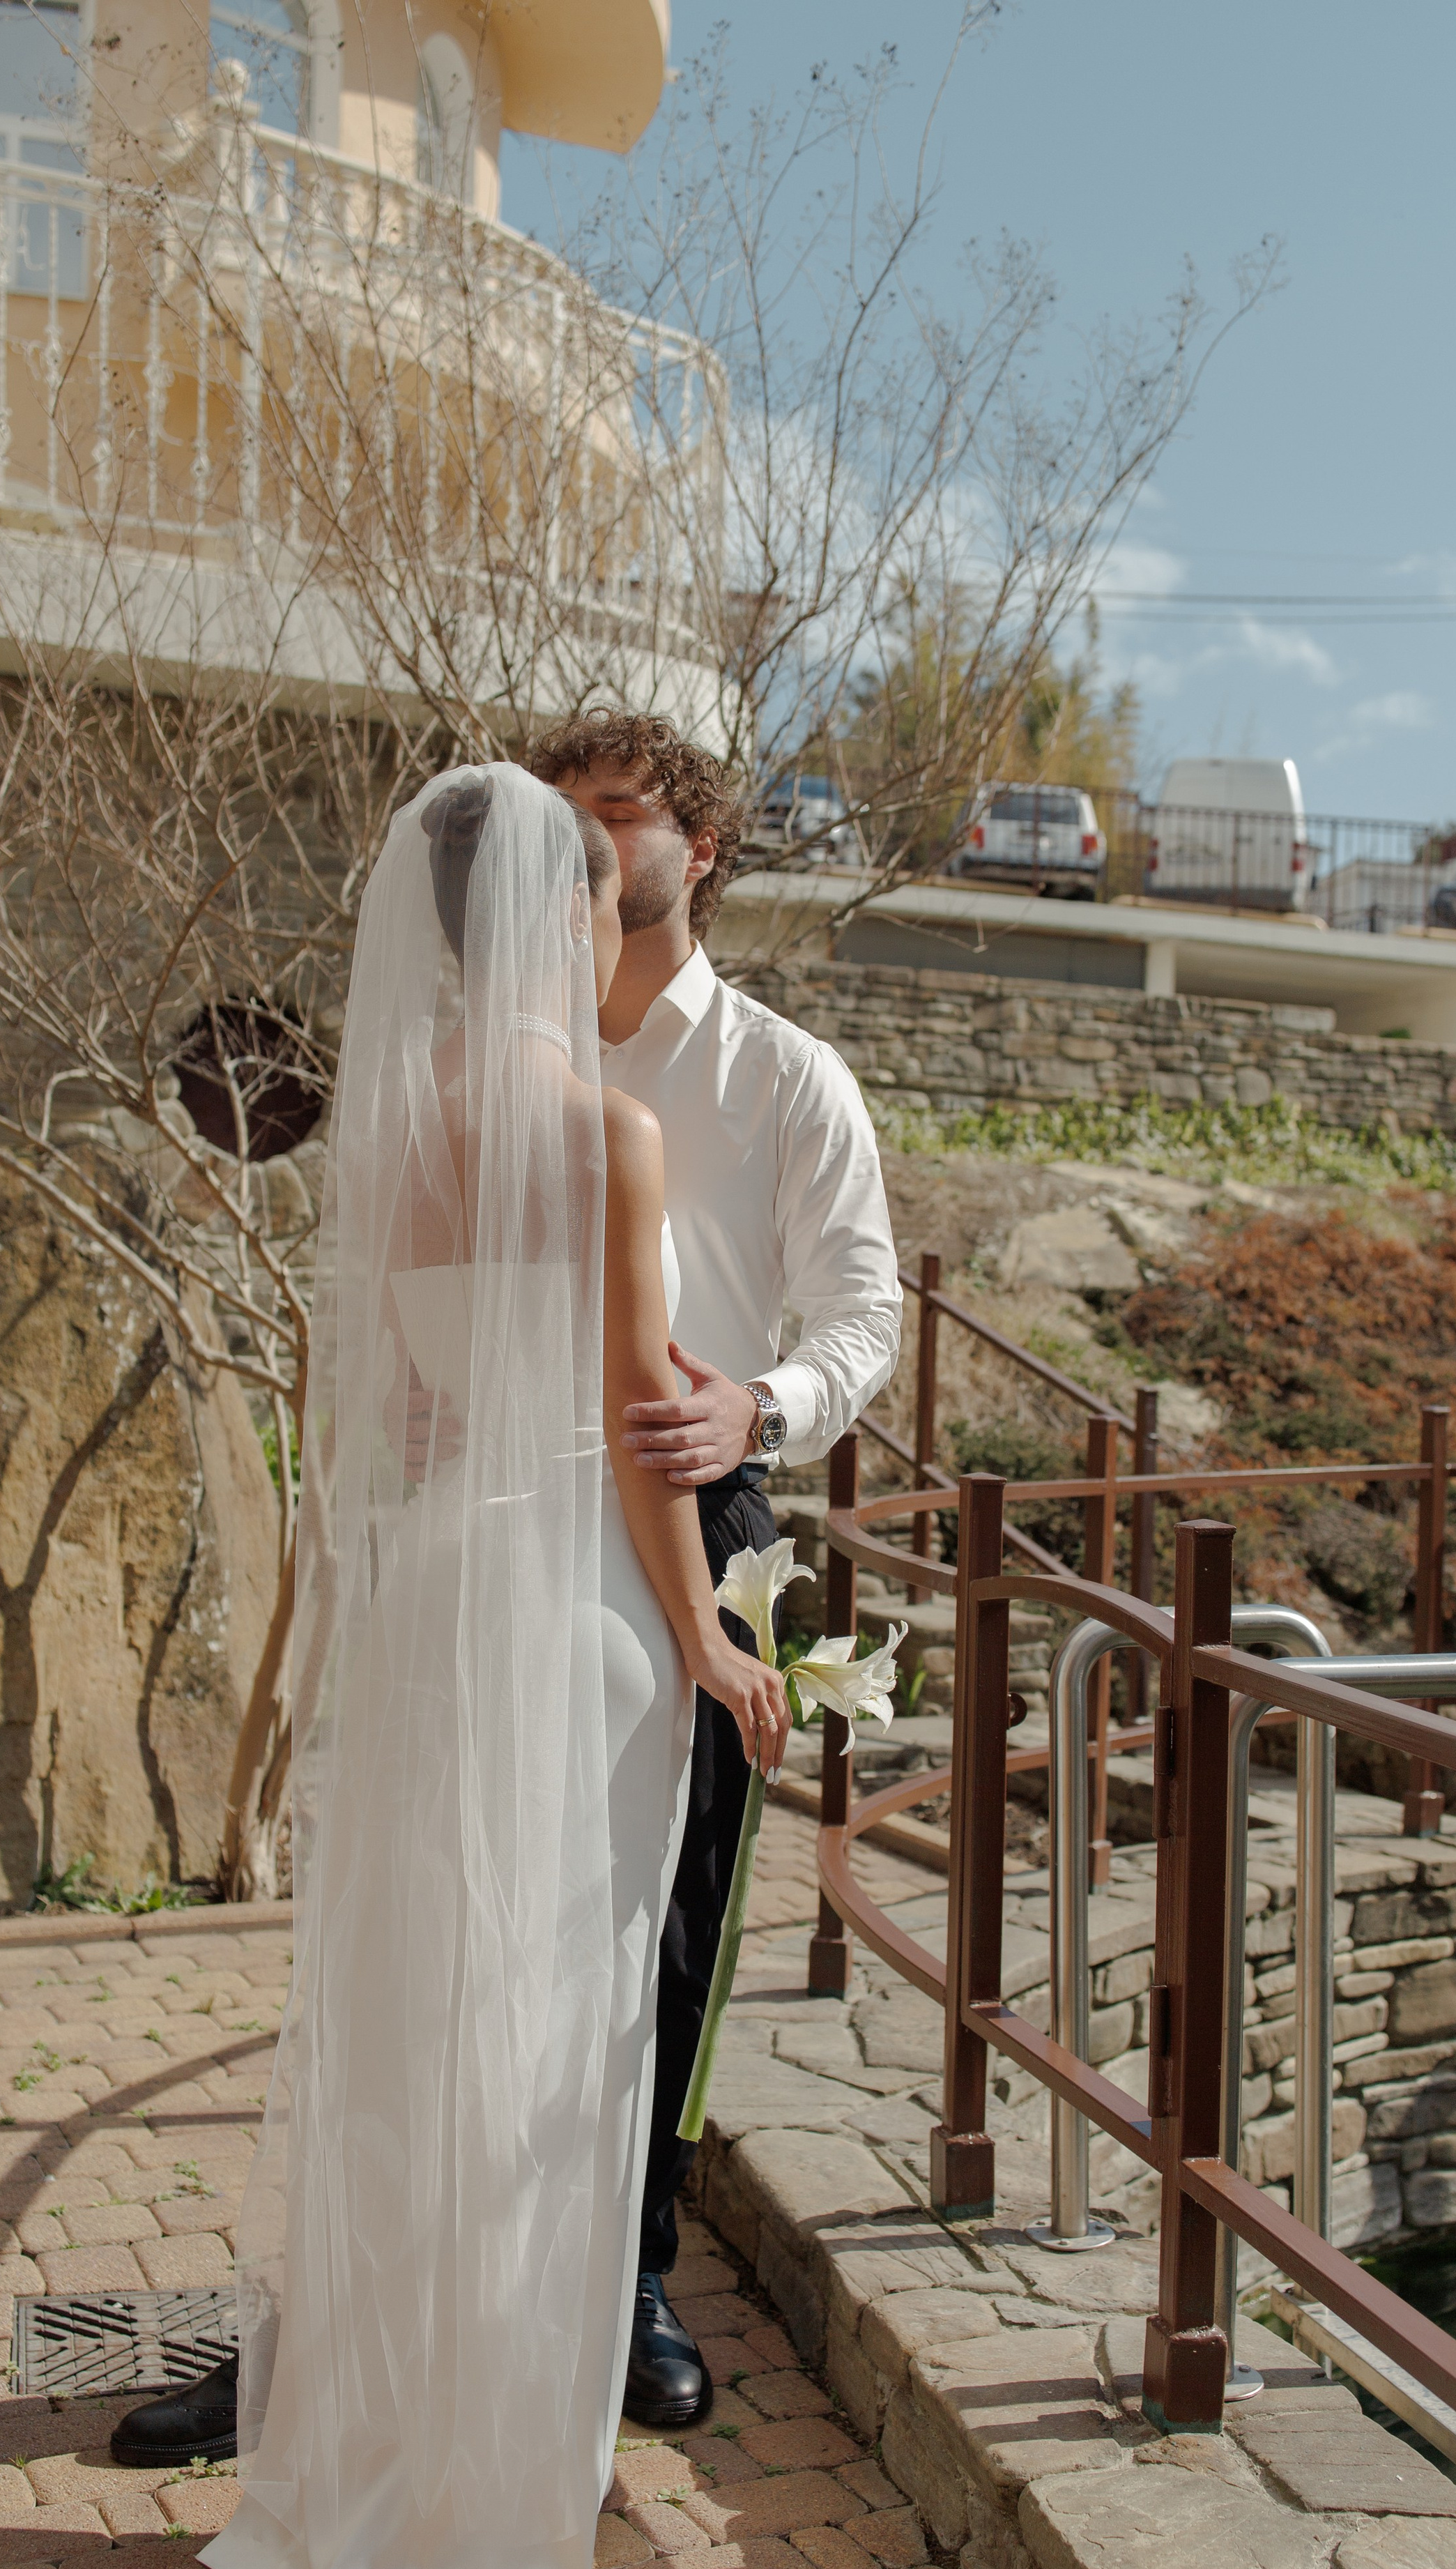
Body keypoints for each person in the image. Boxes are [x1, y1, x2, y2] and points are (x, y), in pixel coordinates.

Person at [111, 765, 790, 2569]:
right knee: (558, 2051)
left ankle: (374, 2444)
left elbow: (408, 1415)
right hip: (576, 1610)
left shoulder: (393, 1136)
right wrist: (715, 1641)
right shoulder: (607, 1131)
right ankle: (495, 2484)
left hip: (431, 1603)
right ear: (555, 922)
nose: (605, 940)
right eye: (593, 912)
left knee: (414, 2029)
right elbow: (648, 1451)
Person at [526, 709, 902, 2431]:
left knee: (673, 1928)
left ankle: (632, 2278)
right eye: (567, 821)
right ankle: (441, 2255)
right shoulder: (497, 1058)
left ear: (704, 847)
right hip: (509, 1533)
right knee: (493, 1906)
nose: (595, 847)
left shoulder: (779, 1077)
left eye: (622, 814)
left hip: (707, 1519)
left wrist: (760, 1406)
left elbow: (864, 1317)